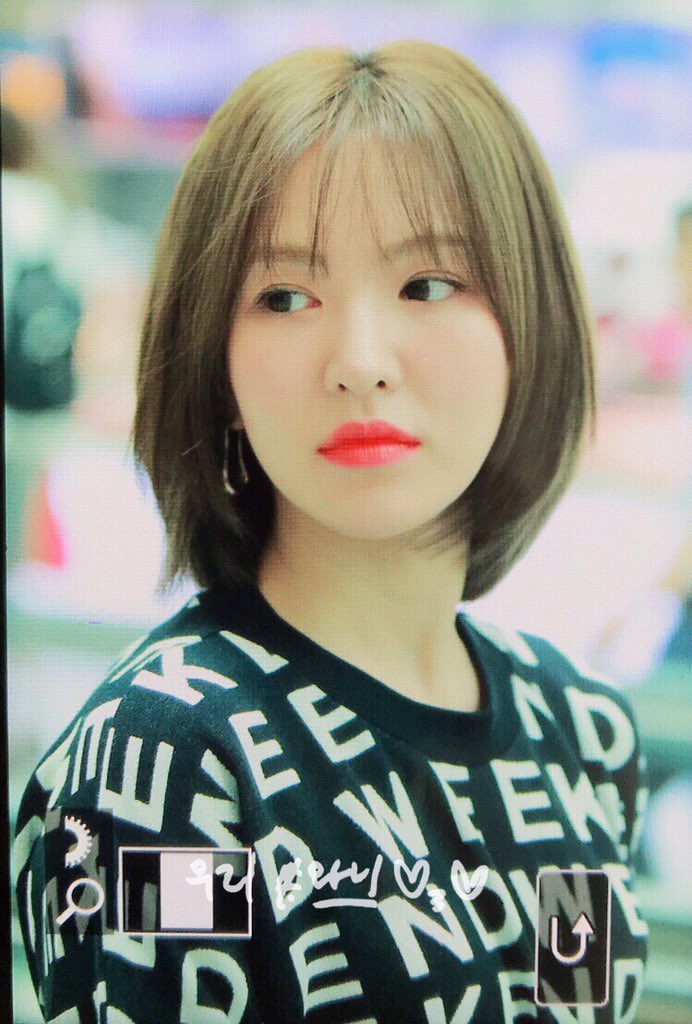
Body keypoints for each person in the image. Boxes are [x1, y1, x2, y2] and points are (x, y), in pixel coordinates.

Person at [13, 42, 650, 1023]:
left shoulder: (578, 736)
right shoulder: (170, 768)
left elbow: (575, 1007)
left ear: (530, 331)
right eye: (284, 297)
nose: (359, 359)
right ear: (216, 361)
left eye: (427, 284)